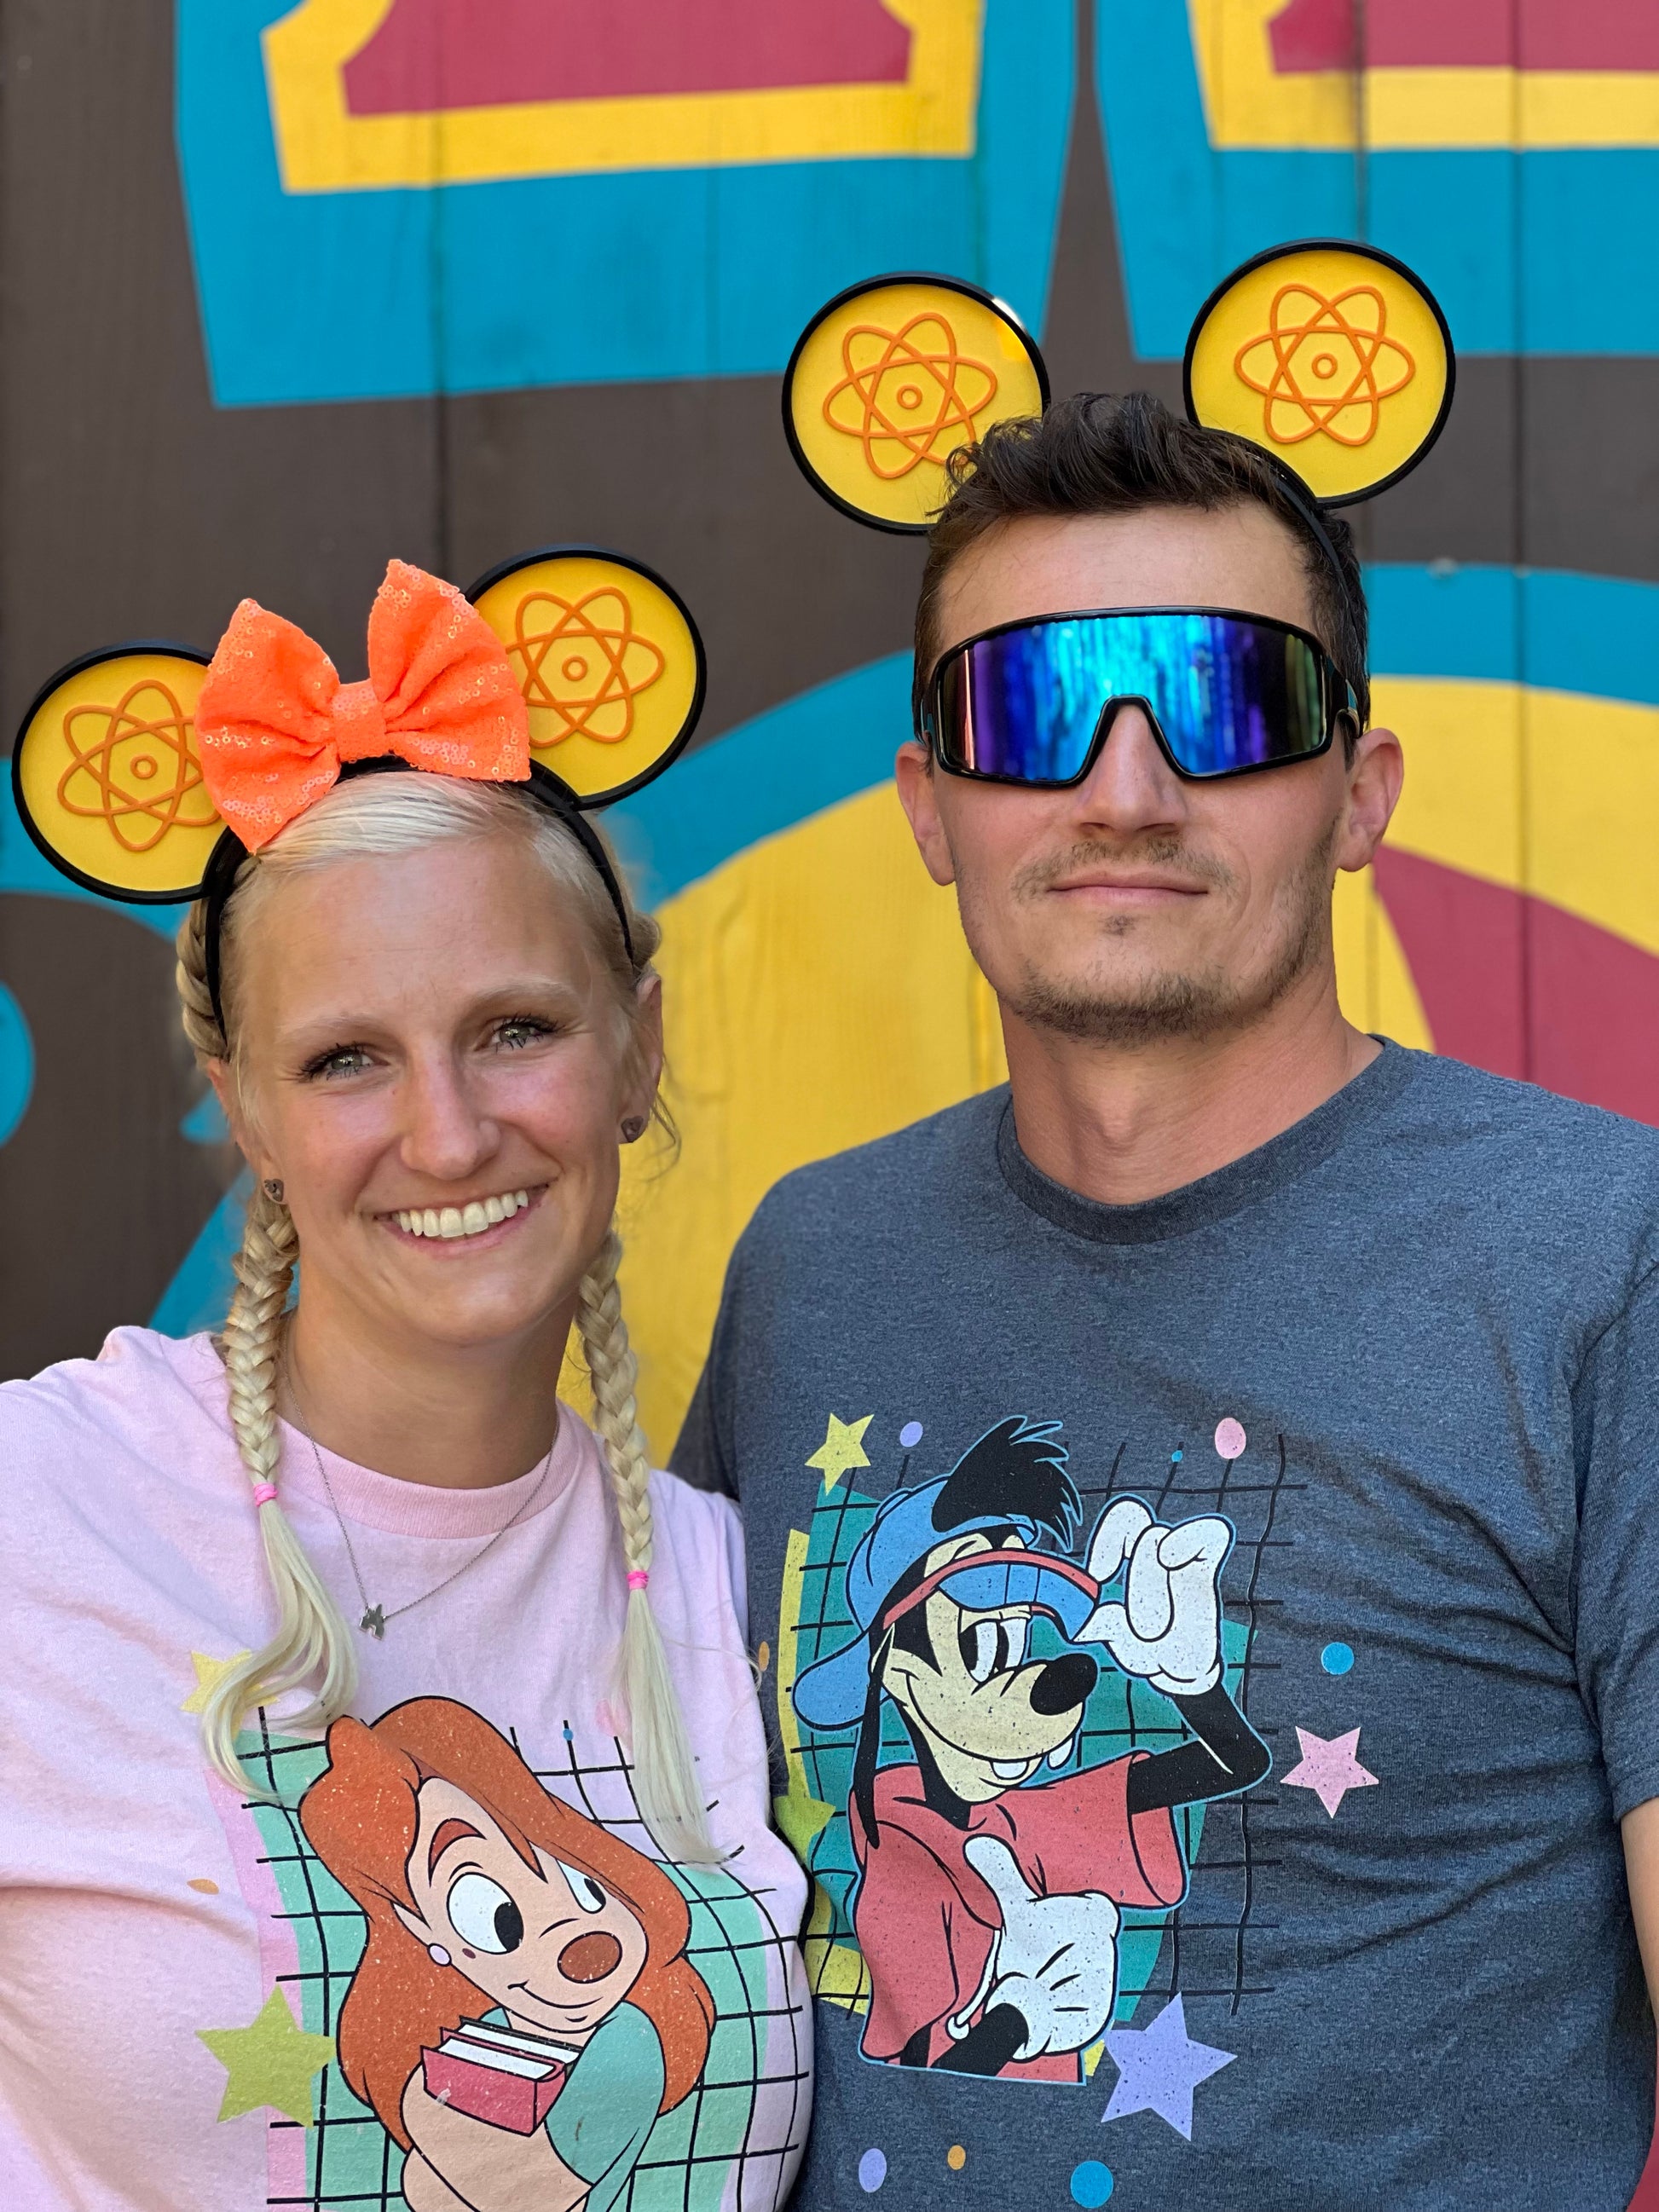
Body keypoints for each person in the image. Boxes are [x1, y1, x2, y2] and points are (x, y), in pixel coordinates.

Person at [673, 394, 1659, 2210]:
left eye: (1225, 701)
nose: (1124, 791)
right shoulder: (813, 1260)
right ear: (930, 804)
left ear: (1359, 789)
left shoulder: (1607, 1254)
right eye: (1027, 708)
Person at [0, 563, 809, 2212]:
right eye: (346, 1058)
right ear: (245, 1108)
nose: (444, 1135)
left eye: (513, 1029)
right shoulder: (44, 1510)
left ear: (635, 1046)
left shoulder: (727, 1582)